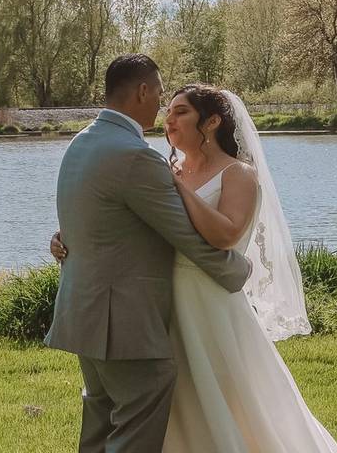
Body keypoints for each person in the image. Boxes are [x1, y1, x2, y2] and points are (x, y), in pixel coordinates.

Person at [51, 80, 337, 452]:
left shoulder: (238, 173)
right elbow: (130, 223)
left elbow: (225, 235)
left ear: (212, 123)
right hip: (161, 306)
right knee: (171, 408)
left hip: (210, 304)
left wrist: (179, 188)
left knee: (230, 403)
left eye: (181, 111)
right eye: (168, 110)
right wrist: (68, 236)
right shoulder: (164, 169)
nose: (169, 119)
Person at [44, 55, 252, 453]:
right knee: (135, 429)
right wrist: (238, 272)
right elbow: (186, 236)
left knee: (99, 427)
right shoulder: (135, 155)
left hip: (83, 310)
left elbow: (93, 217)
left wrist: (61, 242)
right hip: (122, 322)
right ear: (142, 91)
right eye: (159, 93)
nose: (160, 104)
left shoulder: (81, 141)